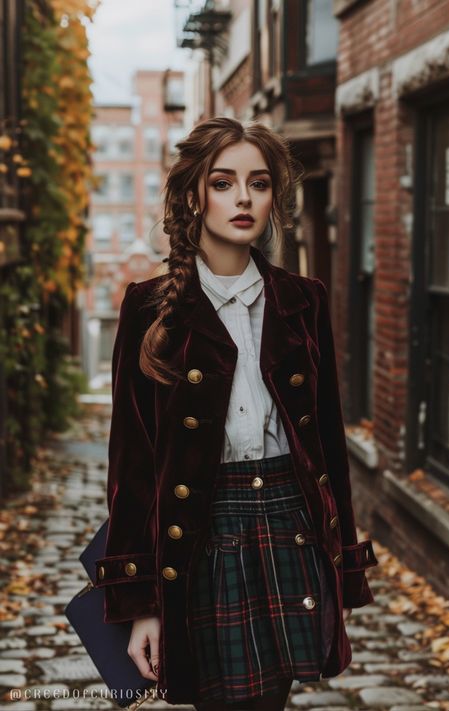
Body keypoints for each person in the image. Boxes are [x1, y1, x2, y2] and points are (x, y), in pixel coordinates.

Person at [98, 116, 377, 710]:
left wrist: (347, 562)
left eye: (259, 183)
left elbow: (328, 441)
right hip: (203, 534)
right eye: (223, 183)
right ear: (194, 194)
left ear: (276, 197)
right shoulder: (148, 309)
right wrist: (139, 602)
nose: (244, 199)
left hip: (290, 526)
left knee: (270, 699)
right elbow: (132, 466)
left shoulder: (304, 300)